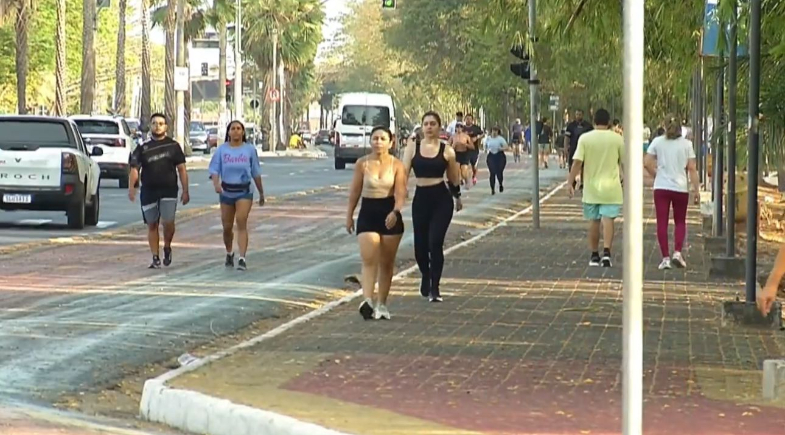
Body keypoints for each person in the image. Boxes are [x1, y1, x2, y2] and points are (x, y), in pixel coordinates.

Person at [346, 126, 407, 320]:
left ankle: (382, 303)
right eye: (374, 138)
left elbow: (400, 193)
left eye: (382, 139)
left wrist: (396, 212)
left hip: (389, 214)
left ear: (391, 142)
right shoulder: (362, 164)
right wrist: (349, 215)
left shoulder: (397, 165)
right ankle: (367, 300)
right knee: (369, 258)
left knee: (386, 263)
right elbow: (355, 192)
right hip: (368, 213)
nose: (378, 142)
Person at [403, 111, 463, 302]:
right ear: (421, 126)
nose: (429, 127)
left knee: (434, 242)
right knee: (420, 248)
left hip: (441, 199)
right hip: (421, 199)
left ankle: (435, 288)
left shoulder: (447, 150)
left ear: (439, 127)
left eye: (433, 124)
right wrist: (400, 190)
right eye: (426, 124)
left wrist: (457, 196)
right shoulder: (413, 147)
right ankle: (426, 274)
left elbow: (454, 177)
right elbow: (403, 172)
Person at [128, 113, 190, 269]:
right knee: (152, 224)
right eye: (154, 123)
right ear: (150, 126)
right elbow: (134, 169)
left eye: (161, 123)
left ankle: (167, 246)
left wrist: (185, 190)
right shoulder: (142, 148)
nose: (157, 126)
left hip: (168, 190)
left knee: (168, 223)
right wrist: (131, 188)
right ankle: (155, 257)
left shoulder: (173, 146)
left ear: (166, 127)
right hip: (148, 191)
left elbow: (182, 169)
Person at [567, 108, 623, 268]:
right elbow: (624, 161)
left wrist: (570, 182)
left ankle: (594, 255)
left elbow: (577, 162)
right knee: (608, 220)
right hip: (611, 188)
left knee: (594, 222)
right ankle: (607, 254)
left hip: (591, 188)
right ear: (609, 122)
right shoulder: (617, 139)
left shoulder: (585, 139)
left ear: (594, 121)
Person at [209, 120, 265, 271]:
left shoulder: (249, 150)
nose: (235, 131)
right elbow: (214, 170)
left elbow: (256, 172)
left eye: (238, 129)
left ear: (243, 132)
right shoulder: (222, 150)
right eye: (232, 129)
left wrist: (261, 193)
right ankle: (229, 253)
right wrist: (216, 184)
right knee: (227, 227)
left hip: (244, 191)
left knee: (241, 220)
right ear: (228, 132)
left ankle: (242, 258)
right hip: (227, 191)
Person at [644, 119, 699, 270]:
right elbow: (692, 168)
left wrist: (656, 174)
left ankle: (665, 258)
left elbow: (646, 162)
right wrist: (696, 189)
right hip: (680, 187)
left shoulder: (657, 142)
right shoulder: (687, 144)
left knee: (662, 222)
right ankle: (677, 253)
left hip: (661, 187)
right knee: (680, 221)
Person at [564, 109, 594, 188]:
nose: (578, 116)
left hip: (586, 148)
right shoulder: (571, 126)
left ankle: (583, 182)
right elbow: (567, 137)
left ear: (582, 115)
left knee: (584, 165)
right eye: (577, 114)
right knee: (572, 164)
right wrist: (565, 147)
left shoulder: (588, 126)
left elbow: (592, 137)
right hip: (573, 148)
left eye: (580, 114)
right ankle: (572, 180)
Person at [485, 127, 508, 194]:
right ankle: (492, 189)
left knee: (499, 172)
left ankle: (500, 184)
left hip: (500, 156)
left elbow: (506, 146)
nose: (494, 132)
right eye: (493, 131)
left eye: (496, 131)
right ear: (491, 131)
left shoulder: (500, 139)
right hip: (491, 155)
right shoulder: (488, 138)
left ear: (498, 132)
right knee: (492, 173)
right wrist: (486, 149)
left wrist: (501, 148)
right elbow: (485, 146)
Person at [449, 123, 473, 188]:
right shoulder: (452, 136)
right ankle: (458, 183)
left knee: (464, 171)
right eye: (457, 127)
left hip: (464, 154)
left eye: (460, 127)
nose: (459, 128)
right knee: (456, 170)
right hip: (456, 154)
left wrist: (465, 145)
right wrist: (454, 145)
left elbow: (472, 146)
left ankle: (467, 181)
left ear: (462, 128)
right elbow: (448, 147)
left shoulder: (466, 136)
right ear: (455, 128)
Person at [464, 114, 483, 186]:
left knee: (474, 166)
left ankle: (474, 176)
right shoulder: (462, 128)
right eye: (467, 119)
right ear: (465, 119)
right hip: (465, 150)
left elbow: (482, 134)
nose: (468, 120)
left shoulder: (475, 128)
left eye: (470, 119)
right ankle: (465, 180)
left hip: (474, 149)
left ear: (472, 120)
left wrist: (477, 137)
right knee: (464, 166)